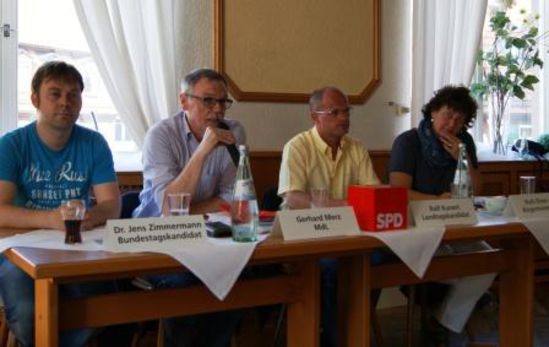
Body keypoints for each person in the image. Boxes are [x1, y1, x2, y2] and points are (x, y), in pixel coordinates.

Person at [0, 61, 121, 346]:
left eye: (73, 95)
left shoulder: (94, 143)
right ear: (35, 100)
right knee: (30, 314)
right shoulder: (12, 144)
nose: (65, 102)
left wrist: (89, 216)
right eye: (55, 94)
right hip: (18, 250)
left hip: (77, 247)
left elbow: (111, 206)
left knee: (111, 303)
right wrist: (50, 218)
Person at [133, 68, 244, 346]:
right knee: (186, 282)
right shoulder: (160, 135)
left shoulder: (235, 131)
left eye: (223, 102)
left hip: (210, 238)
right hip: (155, 243)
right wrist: (204, 149)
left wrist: (193, 206)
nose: (217, 110)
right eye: (208, 101)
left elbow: (234, 197)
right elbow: (170, 209)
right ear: (184, 101)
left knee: (243, 275)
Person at [389, 85, 494, 346]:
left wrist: (462, 159)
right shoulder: (408, 141)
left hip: (455, 225)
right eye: (448, 115)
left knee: (489, 260)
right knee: (452, 264)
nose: (452, 123)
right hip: (415, 227)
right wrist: (436, 202)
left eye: (460, 120)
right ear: (433, 112)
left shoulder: (464, 142)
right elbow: (397, 192)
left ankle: (441, 320)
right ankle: (449, 310)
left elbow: (478, 191)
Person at [278, 86, 380, 347]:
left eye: (346, 111)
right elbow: (294, 198)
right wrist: (347, 204)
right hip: (306, 237)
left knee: (377, 258)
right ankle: (335, 339)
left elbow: (374, 193)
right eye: (334, 112)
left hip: (351, 235)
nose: (344, 118)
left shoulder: (356, 148)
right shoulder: (298, 146)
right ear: (315, 116)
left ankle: (353, 330)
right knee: (332, 267)